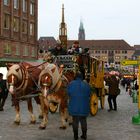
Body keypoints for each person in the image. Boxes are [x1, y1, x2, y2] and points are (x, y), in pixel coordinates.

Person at [67, 72, 91, 140]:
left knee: (75, 121)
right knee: (83, 121)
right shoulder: (86, 85)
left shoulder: (71, 84)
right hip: (84, 106)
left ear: (75, 77)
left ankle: (75, 136)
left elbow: (68, 93)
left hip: (74, 106)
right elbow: (89, 94)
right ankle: (84, 135)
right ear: (82, 77)